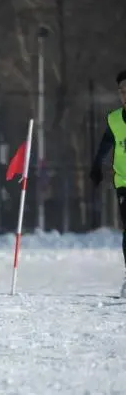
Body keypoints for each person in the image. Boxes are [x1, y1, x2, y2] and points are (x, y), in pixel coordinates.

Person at [90, 69, 126, 297]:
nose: (125, 95)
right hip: (124, 182)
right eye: (122, 91)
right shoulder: (114, 120)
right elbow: (104, 147)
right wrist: (96, 167)